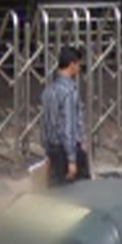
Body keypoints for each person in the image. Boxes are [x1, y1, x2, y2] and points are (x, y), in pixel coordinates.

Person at [40, 46, 90, 185]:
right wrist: (72, 160)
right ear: (72, 65)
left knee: (57, 192)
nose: (79, 68)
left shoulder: (48, 91)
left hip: (53, 150)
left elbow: (45, 124)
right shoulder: (69, 93)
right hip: (67, 152)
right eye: (78, 64)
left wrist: (47, 152)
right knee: (81, 191)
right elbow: (69, 128)